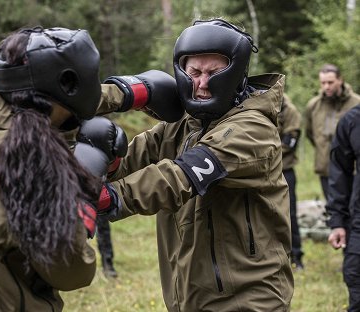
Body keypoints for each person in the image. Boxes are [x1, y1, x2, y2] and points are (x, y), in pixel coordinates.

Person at [96, 18, 294, 311]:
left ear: (236, 73)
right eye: (194, 72)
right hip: (189, 294)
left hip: (248, 298)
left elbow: (179, 176)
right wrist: (120, 95)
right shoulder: (182, 126)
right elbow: (128, 161)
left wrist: (107, 199)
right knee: (100, 138)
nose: (201, 84)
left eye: (213, 72)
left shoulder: (253, 129)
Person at [0, 26, 127, 311]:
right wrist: (83, 185)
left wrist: (130, 92)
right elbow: (73, 271)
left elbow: (52, 110)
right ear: (70, 83)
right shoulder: (31, 165)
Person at [305, 64, 360, 200]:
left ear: (340, 80)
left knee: (355, 213)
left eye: (330, 82)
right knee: (334, 212)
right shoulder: (314, 106)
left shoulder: (356, 103)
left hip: (353, 171)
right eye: (323, 83)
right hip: (327, 170)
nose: (326, 87)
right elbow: (310, 134)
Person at [326, 104, 360, 312]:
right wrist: (337, 221)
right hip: (358, 223)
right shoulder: (353, 120)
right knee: (355, 277)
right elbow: (340, 172)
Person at [278, 94, 304, 270]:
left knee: (291, 214)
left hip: (285, 170)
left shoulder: (290, 111)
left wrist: (262, 152)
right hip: (264, 171)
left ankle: (297, 255)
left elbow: (290, 142)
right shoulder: (259, 106)